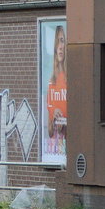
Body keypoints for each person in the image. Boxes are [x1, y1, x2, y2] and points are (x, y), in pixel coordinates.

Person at [45, 25, 67, 157]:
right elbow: (49, 130)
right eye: (57, 41)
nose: (60, 46)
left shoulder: (68, 78)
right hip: (55, 147)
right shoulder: (51, 80)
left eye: (62, 40)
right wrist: (54, 114)